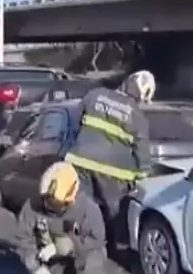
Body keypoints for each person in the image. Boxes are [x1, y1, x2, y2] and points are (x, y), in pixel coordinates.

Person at [15, 162, 106, 274]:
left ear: (71, 196)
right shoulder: (32, 206)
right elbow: (23, 240)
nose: (49, 206)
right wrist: (35, 268)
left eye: (55, 203)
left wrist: (69, 245)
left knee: (94, 260)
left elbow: (97, 239)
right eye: (47, 200)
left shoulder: (87, 208)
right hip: (52, 261)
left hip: (81, 255)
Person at [64, 70, 154, 247]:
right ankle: (117, 248)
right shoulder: (137, 116)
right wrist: (144, 174)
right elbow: (141, 150)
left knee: (81, 206)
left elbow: (74, 123)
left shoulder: (96, 95)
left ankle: (77, 242)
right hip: (114, 174)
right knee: (115, 213)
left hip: (81, 162)